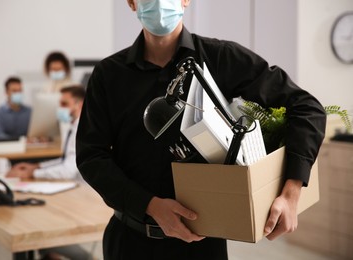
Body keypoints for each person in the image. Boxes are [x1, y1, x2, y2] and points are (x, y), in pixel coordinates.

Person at [75, 1, 327, 259]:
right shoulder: (108, 75)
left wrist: (291, 191)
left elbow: (307, 108)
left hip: (203, 246)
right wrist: (149, 206)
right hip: (130, 244)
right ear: (131, 2)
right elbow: (91, 157)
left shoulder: (220, 58)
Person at [7, 86, 85, 181]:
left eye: (64, 104)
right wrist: (36, 166)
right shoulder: (72, 127)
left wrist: (32, 173)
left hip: (81, 186)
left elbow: (68, 171)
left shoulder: (82, 131)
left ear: (80, 105)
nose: (60, 108)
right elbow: (65, 160)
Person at [0, 77, 31, 142]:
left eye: (20, 91)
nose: (18, 94)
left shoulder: (29, 111)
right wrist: (20, 140)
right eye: (14, 91)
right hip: (6, 148)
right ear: (6, 92)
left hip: (27, 149)